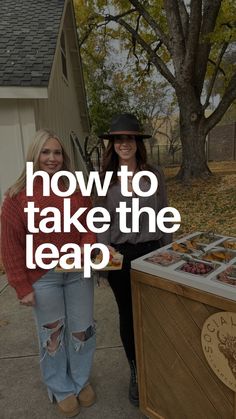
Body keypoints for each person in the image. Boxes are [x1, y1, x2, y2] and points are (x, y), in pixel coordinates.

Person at [1, 129, 97, 417]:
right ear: (34, 156)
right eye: (46, 152)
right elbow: (10, 247)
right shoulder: (16, 198)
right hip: (43, 277)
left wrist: (87, 246)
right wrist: (21, 286)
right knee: (53, 334)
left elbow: (88, 225)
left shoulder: (75, 189)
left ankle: (80, 381)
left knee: (82, 330)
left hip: (78, 272)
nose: (52, 158)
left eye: (57, 153)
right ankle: (60, 386)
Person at [97, 113, 172, 407]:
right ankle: (136, 370)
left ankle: (156, 365)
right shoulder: (104, 178)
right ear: (112, 144)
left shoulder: (154, 175)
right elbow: (99, 220)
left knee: (154, 312)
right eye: (118, 139)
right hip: (121, 256)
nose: (124, 144)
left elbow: (165, 212)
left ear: (137, 142)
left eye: (129, 138)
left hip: (153, 252)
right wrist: (104, 252)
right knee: (127, 314)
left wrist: (169, 249)